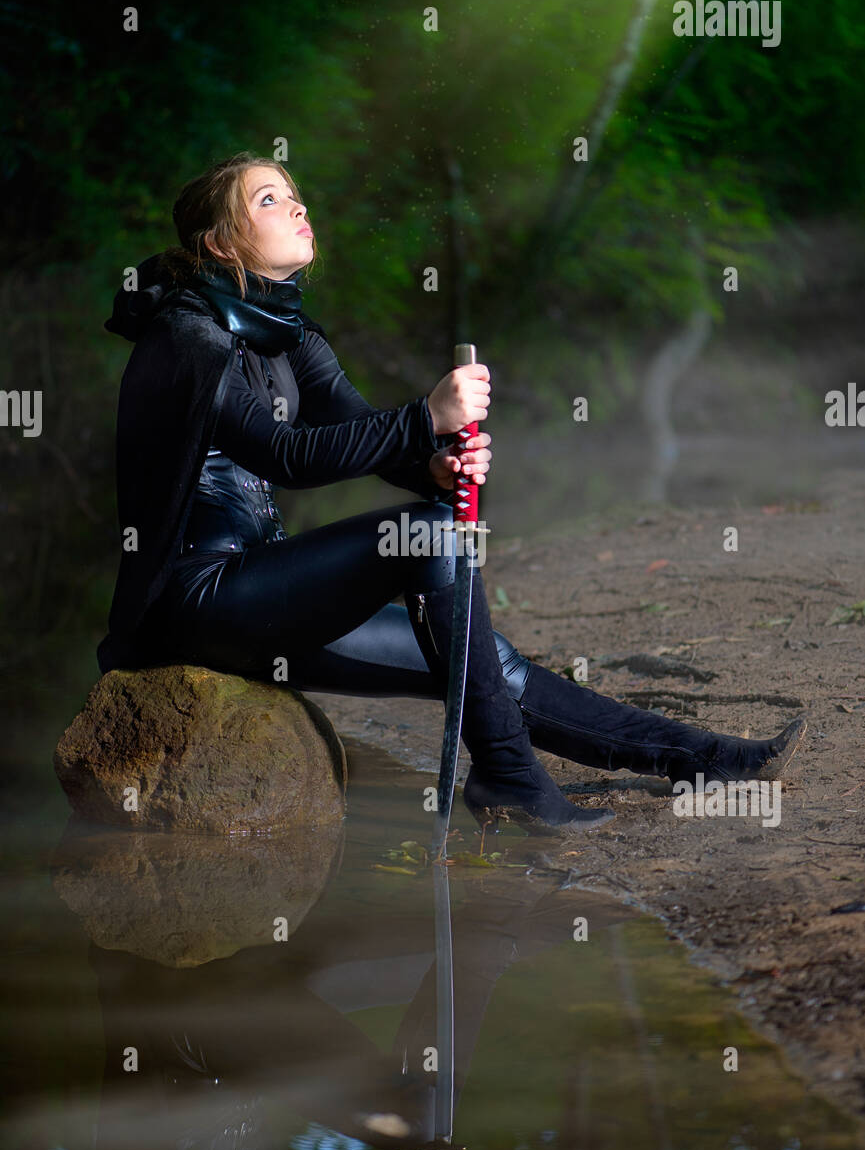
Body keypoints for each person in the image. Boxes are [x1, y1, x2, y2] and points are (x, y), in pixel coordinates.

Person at [97, 152, 806, 839]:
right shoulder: (186, 337)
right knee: (432, 538)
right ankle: (506, 773)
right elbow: (286, 457)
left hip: (261, 601)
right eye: (268, 199)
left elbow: (356, 430)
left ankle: (704, 761)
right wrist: (424, 417)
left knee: (483, 659)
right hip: (192, 604)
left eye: (291, 192)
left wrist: (434, 463)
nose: (298, 205)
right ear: (221, 243)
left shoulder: (286, 332)